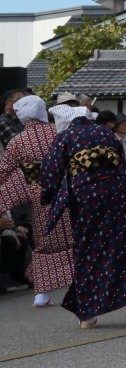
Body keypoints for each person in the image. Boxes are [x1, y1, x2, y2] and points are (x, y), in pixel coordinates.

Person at [41, 104, 126, 329]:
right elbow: (121, 164)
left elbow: (50, 173)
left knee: (88, 250)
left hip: (86, 197)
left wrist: (49, 195)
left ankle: (87, 315)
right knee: (125, 245)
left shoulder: (66, 137)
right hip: (116, 194)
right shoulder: (106, 133)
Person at [0, 95, 74, 307]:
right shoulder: (59, 132)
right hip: (64, 189)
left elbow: (4, 171)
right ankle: (77, 281)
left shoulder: (17, 141)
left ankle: (41, 294)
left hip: (38, 193)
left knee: (44, 242)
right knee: (73, 236)